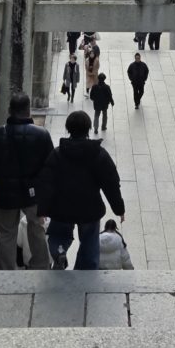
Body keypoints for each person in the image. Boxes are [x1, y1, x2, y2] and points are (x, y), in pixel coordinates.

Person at [37, 110, 125, 270]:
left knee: (58, 235)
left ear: (68, 129)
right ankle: (86, 271)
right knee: (90, 241)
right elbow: (111, 182)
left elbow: (46, 183)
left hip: (61, 207)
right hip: (90, 208)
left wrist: (42, 209)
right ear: (88, 128)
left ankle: (59, 252)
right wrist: (119, 209)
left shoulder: (57, 154)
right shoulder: (98, 154)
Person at [0, 92, 54, 271]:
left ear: (9, 110)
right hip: (33, 193)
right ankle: (41, 266)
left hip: (4, 192)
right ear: (28, 110)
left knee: (6, 233)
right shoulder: (42, 135)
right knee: (37, 228)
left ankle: (7, 270)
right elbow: (50, 166)